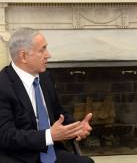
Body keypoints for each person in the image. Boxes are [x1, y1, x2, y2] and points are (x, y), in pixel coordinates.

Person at [0, 27, 94, 163]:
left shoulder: (45, 77)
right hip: (18, 156)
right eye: (42, 50)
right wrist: (49, 135)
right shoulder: (3, 85)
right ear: (23, 56)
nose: (48, 55)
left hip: (49, 151)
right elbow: (5, 135)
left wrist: (75, 127)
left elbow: (58, 112)